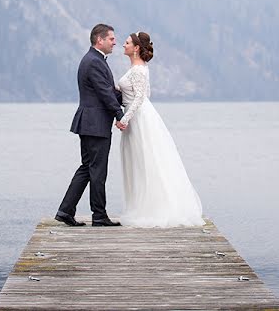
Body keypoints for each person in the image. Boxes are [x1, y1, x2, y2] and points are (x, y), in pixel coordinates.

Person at [117, 31, 203, 227]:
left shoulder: (138, 70)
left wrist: (125, 118)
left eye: (128, 42)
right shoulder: (140, 67)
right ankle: (142, 206)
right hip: (141, 115)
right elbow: (147, 93)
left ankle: (148, 209)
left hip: (138, 118)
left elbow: (140, 97)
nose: (124, 45)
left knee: (144, 162)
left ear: (136, 48)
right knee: (143, 161)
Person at [55, 24, 126, 227]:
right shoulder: (94, 62)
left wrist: (130, 98)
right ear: (99, 40)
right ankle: (99, 216)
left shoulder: (95, 60)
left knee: (87, 168)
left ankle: (65, 211)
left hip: (90, 123)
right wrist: (120, 115)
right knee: (98, 170)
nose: (114, 42)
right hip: (95, 124)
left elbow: (108, 92)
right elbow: (105, 94)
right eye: (111, 39)